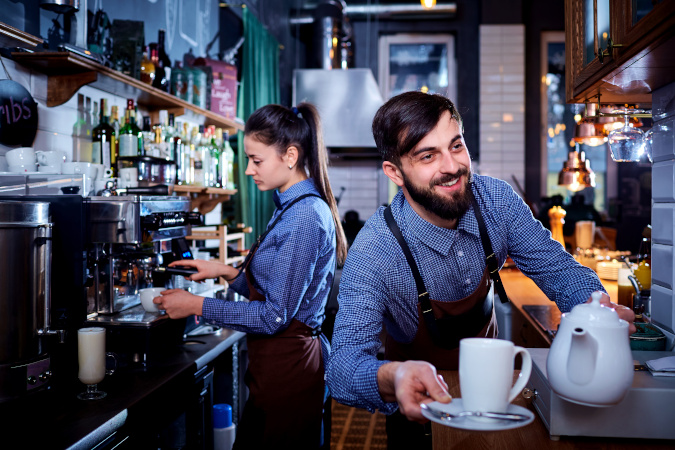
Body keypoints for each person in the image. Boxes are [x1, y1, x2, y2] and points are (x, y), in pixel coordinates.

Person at [326, 91, 635, 449]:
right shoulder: (375, 250)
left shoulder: (497, 202)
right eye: (428, 156)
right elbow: (342, 368)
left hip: (494, 401)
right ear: (395, 172)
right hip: (420, 414)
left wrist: (595, 306)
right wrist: (392, 374)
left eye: (456, 146)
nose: (452, 166)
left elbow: (558, 269)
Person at [155, 102, 347, 449]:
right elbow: (279, 291)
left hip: (292, 373)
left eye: (256, 160)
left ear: (290, 155)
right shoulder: (289, 206)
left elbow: (274, 315)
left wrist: (197, 304)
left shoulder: (304, 217)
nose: (248, 170)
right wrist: (227, 271)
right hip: (276, 372)